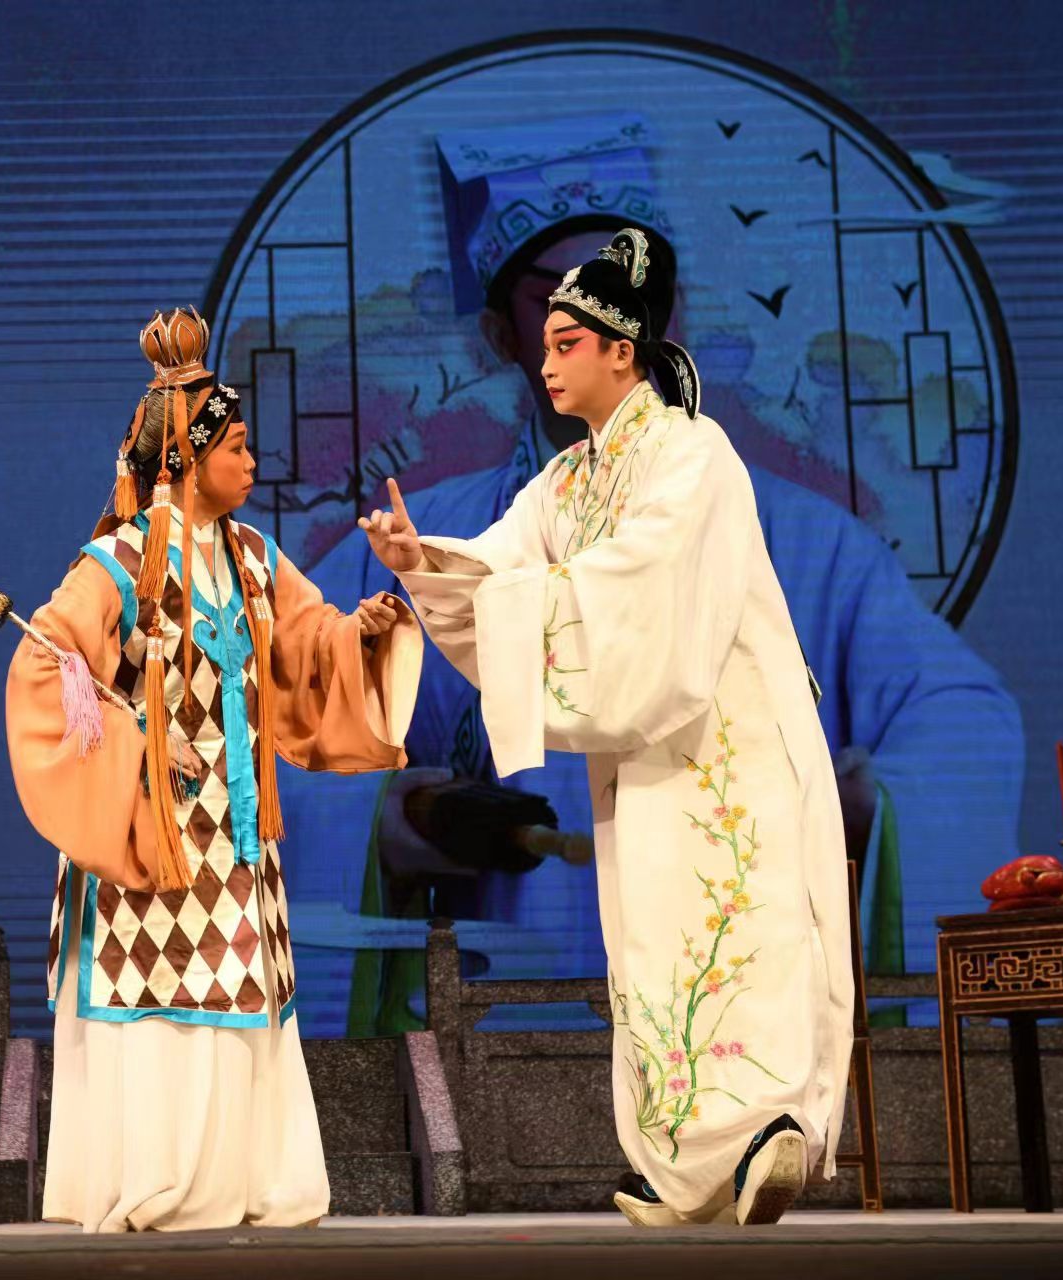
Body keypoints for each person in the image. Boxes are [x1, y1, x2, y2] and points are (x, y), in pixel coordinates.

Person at [279, 119, 1022, 1038]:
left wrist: (854, 799)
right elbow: (275, 730)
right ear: (501, 337)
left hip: (736, 1015)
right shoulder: (421, 547)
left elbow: (964, 725)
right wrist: (395, 818)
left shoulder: (810, 548)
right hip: (496, 1019)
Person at [0, 307, 422, 1232]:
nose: (252, 462)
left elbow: (306, 644)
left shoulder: (253, 557)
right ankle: (159, 1184)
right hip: (155, 832)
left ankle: (248, 1183)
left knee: (240, 988)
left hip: (237, 835)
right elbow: (50, 667)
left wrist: (360, 635)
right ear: (186, 456)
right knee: (160, 999)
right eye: (237, 447)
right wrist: (133, 740)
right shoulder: (119, 561)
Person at [364, 230, 850, 1226]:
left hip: (730, 738)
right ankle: (691, 1169)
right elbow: (500, 563)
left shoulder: (692, 455)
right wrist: (422, 558)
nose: (546, 363)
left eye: (566, 343)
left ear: (622, 351)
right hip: (645, 750)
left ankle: (769, 1130)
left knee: (740, 920)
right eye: (543, 342)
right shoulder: (569, 482)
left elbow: (642, 580)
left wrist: (523, 594)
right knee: (659, 943)